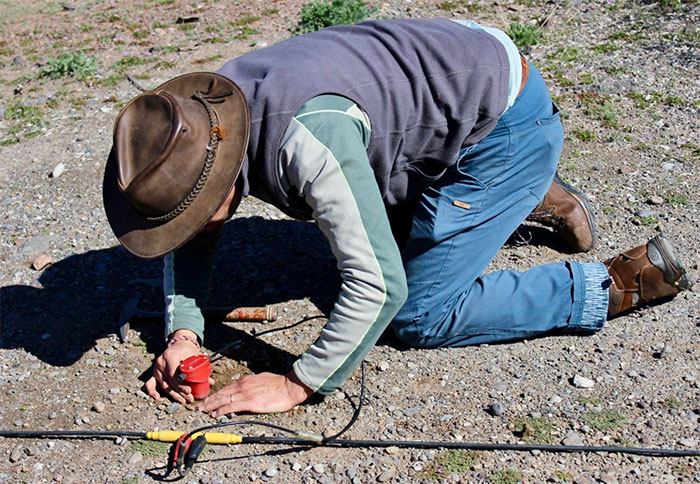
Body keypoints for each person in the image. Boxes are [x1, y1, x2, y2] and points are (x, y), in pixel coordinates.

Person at [103, 18, 691, 417]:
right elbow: (196, 222)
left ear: (223, 172)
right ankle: (516, 189)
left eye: (195, 216)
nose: (192, 229)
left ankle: (608, 283)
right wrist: (185, 332)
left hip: (506, 118)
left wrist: (297, 382)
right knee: (373, 225)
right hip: (457, 87)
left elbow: (380, 287)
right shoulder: (207, 115)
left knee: (417, 314)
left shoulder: (307, 142)